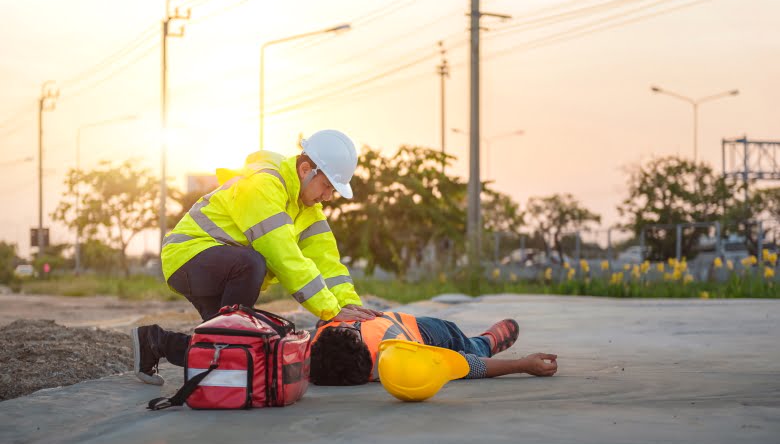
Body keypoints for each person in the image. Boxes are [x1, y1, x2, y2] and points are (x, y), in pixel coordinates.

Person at [132, 130, 382, 385]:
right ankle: (191, 350)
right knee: (252, 264)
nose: (328, 196)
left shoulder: (308, 212)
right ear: (306, 169)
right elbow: (282, 255)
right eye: (327, 186)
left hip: (220, 269)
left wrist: (351, 309)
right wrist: (330, 310)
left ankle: (154, 342)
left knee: (238, 349)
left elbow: (328, 265)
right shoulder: (264, 184)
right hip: (188, 257)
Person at [309, 312, 558, 385]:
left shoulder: (400, 353)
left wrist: (523, 365)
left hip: (421, 328)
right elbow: (462, 365)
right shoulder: (319, 337)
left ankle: (483, 342)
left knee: (460, 339)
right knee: (464, 349)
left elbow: (464, 365)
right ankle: (484, 342)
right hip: (411, 329)